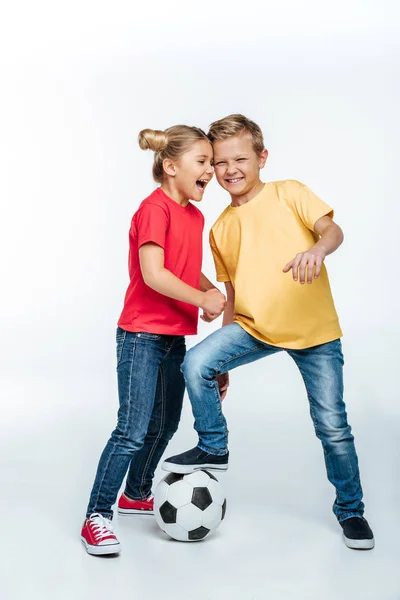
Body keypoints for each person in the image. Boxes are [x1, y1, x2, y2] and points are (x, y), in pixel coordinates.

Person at [162, 114, 375, 550]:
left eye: (240, 158)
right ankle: (213, 446)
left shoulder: (288, 193)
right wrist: (222, 364)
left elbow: (332, 230)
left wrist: (317, 250)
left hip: (313, 333)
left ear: (262, 158)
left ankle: (351, 511)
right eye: (220, 162)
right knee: (197, 361)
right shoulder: (221, 227)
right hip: (255, 328)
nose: (230, 170)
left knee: (332, 426)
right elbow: (233, 292)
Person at [81, 124, 226, 555]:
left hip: (173, 336)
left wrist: (207, 291)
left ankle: (136, 493)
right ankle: (97, 515)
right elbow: (154, 273)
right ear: (169, 166)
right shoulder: (154, 209)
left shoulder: (194, 216)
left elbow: (182, 268)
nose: (211, 172)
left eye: (209, 164)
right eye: (202, 163)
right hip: (142, 335)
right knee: (131, 429)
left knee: (165, 424)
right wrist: (202, 295)